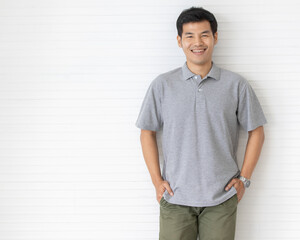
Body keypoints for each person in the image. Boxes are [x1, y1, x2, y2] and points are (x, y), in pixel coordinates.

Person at [135, 6, 267, 240]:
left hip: (222, 198)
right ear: (179, 40)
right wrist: (157, 182)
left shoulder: (236, 85)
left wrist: (244, 180)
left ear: (215, 37)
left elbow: (257, 131)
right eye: (189, 36)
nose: (198, 42)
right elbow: (147, 132)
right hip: (175, 197)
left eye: (205, 34)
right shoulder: (163, 85)